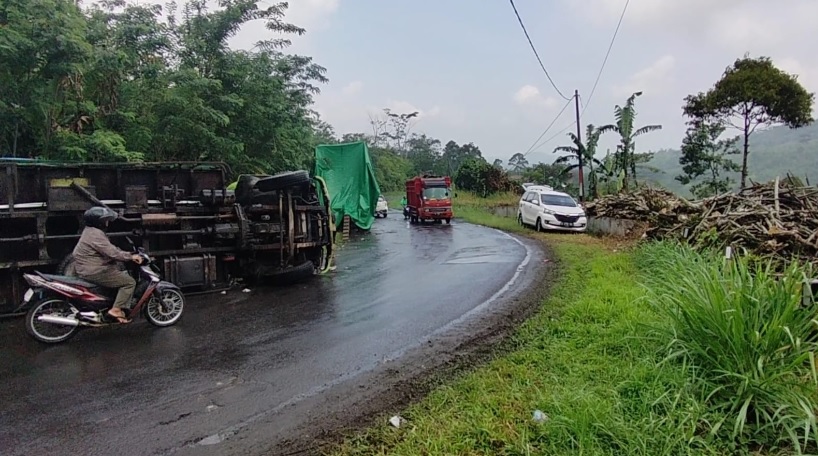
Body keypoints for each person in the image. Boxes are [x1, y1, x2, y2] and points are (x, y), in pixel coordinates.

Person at [73, 207, 143, 323]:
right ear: (98, 222)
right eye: (105, 220)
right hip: (95, 271)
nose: (107, 222)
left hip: (87, 268)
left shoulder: (90, 231)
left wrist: (124, 253)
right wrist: (131, 256)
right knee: (129, 282)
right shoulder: (95, 235)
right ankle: (116, 309)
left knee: (120, 274)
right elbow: (112, 253)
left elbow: (109, 249)